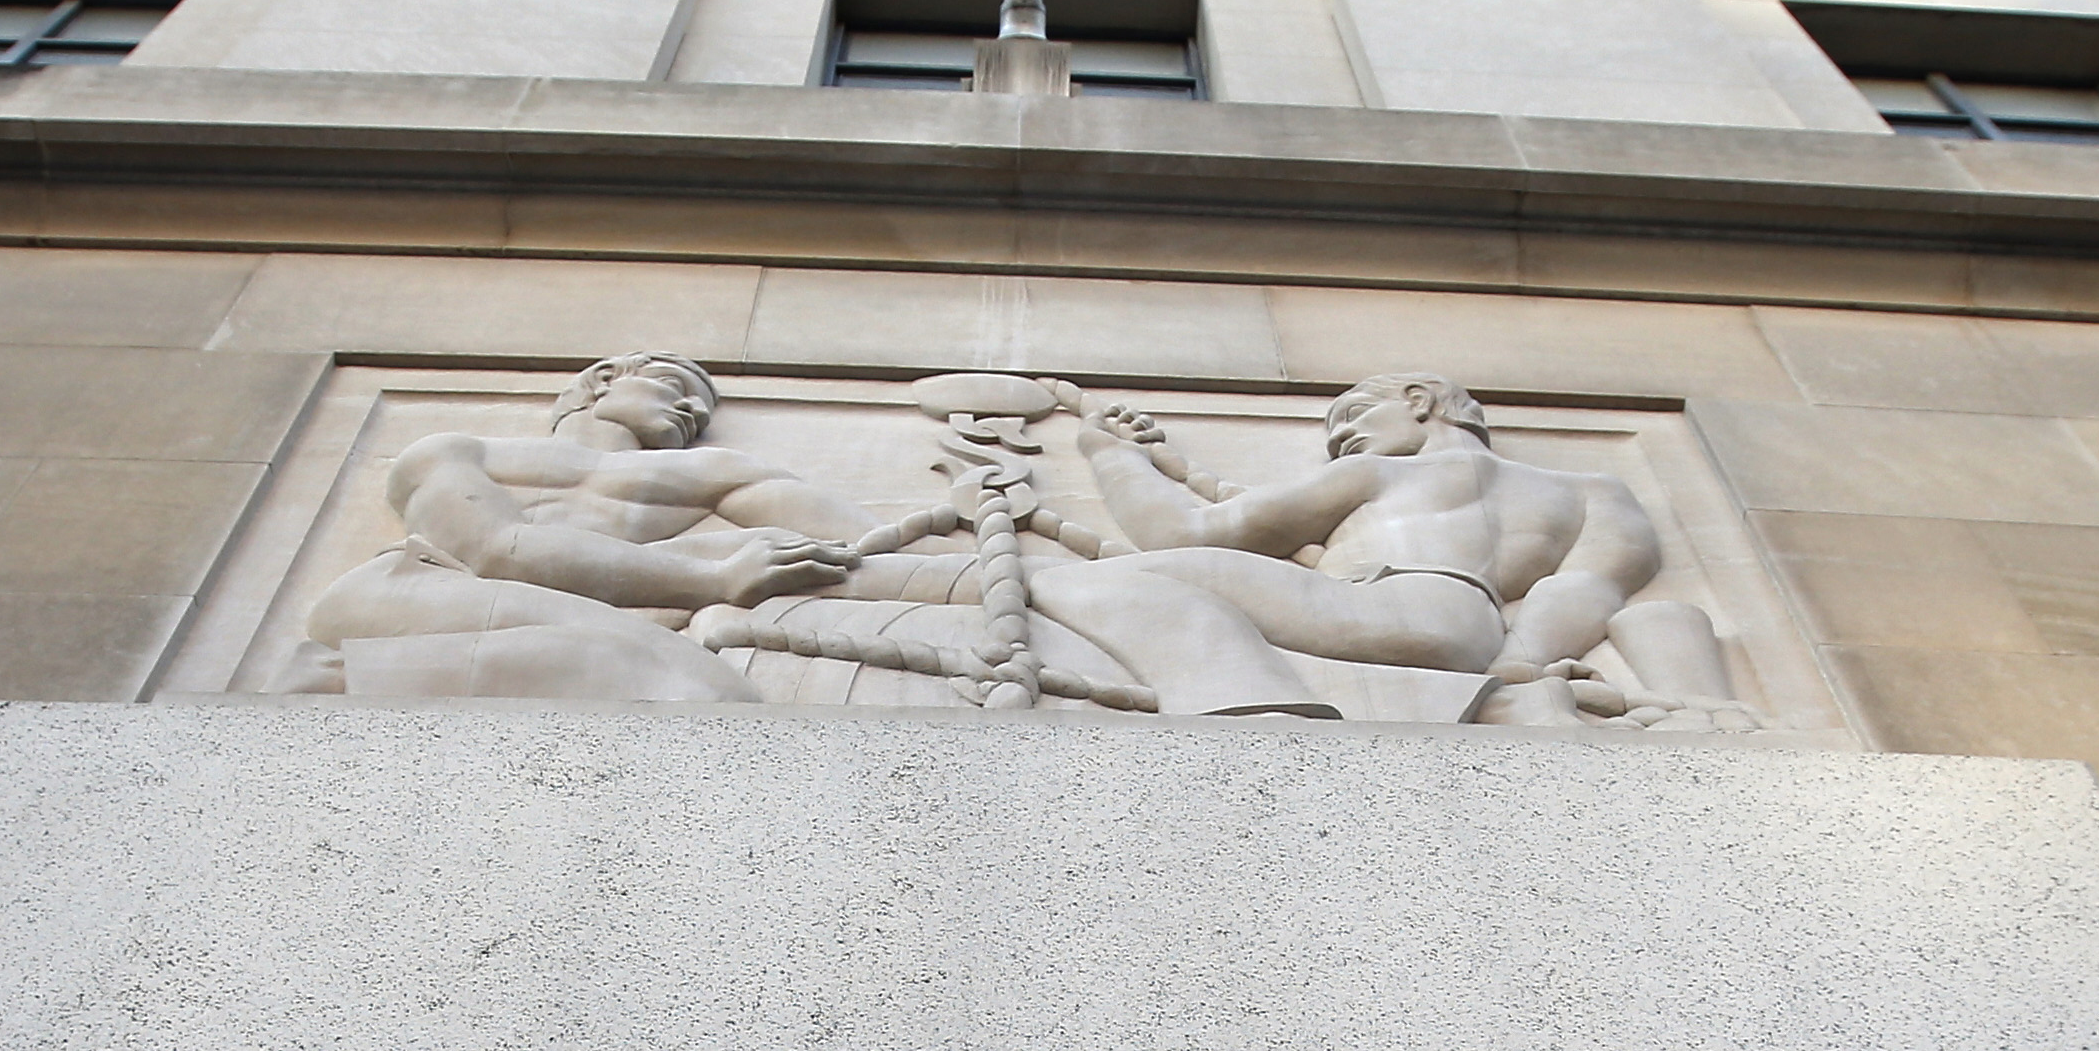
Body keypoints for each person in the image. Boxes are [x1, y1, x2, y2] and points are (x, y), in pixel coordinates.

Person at [1019, 373, 1735, 721]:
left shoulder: (1378, 472)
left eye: (1357, 414)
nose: (1342, 438)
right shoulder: (1595, 491)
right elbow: (1585, 591)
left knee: (1067, 582)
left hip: (1375, 605)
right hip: (1468, 627)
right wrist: (1515, 662)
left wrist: (1109, 454)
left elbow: (1190, 533)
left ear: (1420, 399)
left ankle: (1248, 703)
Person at [288, 353, 874, 702]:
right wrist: (715, 578)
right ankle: (334, 683)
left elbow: (866, 545)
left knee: (708, 690)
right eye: (676, 387)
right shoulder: (459, 450)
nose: (695, 411)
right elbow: (494, 548)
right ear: (602, 381)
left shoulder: (713, 470)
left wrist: (964, 517)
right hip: (415, 592)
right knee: (690, 685)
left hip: (566, 620)